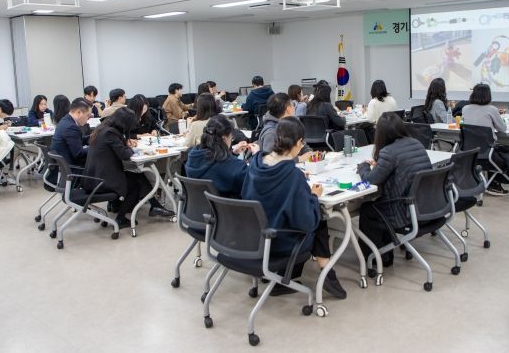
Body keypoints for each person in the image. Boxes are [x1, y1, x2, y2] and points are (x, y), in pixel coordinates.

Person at [241, 117, 346, 299]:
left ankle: (285, 277)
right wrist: (313, 196)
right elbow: (306, 222)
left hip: (254, 236)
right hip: (279, 241)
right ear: (298, 143)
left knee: (305, 212)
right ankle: (327, 274)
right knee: (318, 217)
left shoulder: (255, 165)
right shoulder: (291, 175)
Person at [356, 112, 432, 267]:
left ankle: (378, 258)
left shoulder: (388, 152)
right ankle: (386, 252)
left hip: (405, 212)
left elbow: (370, 180)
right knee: (379, 204)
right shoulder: (416, 143)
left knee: (368, 210)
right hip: (426, 206)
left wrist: (363, 167)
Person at [82, 108, 173, 227]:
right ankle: (121, 218)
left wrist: (125, 143)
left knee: (139, 176)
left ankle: (155, 206)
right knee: (135, 185)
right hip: (101, 180)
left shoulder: (103, 129)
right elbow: (125, 155)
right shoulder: (111, 133)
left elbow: (115, 148)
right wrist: (129, 148)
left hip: (96, 175)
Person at [461, 83, 509, 195]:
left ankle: (491, 183)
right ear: (488, 95)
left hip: (470, 156)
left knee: (499, 151)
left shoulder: (465, 109)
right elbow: (502, 128)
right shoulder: (492, 109)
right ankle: (494, 184)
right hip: (488, 156)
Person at [185, 115, 258, 197]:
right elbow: (255, 181)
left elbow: (218, 163)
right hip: (230, 204)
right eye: (231, 138)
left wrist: (233, 153)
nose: (231, 141)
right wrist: (257, 156)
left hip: (201, 204)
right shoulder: (234, 166)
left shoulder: (193, 156)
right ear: (224, 138)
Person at [49, 98, 91, 168]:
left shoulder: (65, 120)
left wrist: (92, 138)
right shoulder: (71, 127)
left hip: (62, 167)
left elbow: (75, 140)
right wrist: (94, 147)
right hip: (72, 168)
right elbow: (79, 154)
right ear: (79, 112)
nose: (89, 118)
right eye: (88, 115)